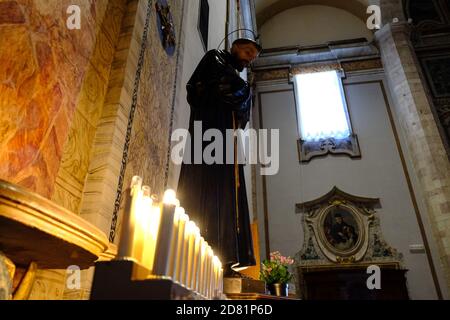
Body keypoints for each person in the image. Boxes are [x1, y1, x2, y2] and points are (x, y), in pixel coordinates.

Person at [177, 37, 261, 276]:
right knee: (207, 190)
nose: (248, 58)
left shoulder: (232, 72)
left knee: (228, 195)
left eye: (252, 57)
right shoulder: (214, 58)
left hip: (226, 141)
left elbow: (243, 103)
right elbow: (224, 87)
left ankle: (224, 259)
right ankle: (198, 252)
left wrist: (243, 95)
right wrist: (244, 92)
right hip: (208, 134)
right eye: (246, 52)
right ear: (234, 47)